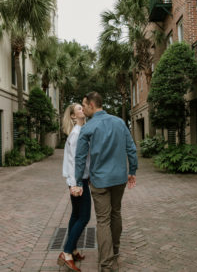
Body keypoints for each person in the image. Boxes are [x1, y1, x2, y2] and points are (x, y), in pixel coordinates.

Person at [74, 92, 138, 272]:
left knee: (103, 221)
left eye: (84, 105)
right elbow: (131, 149)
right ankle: (115, 251)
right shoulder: (119, 122)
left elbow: (80, 158)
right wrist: (132, 171)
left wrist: (78, 181)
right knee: (116, 213)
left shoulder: (88, 127)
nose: (84, 109)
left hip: (100, 180)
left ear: (92, 105)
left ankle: (107, 264)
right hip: (119, 178)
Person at [57, 103, 91, 272]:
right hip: (79, 180)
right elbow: (75, 162)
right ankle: (67, 252)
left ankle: (74, 249)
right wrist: (76, 183)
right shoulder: (77, 134)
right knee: (84, 217)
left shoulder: (77, 132)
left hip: (77, 180)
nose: (82, 109)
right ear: (72, 116)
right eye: (78, 108)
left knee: (76, 215)